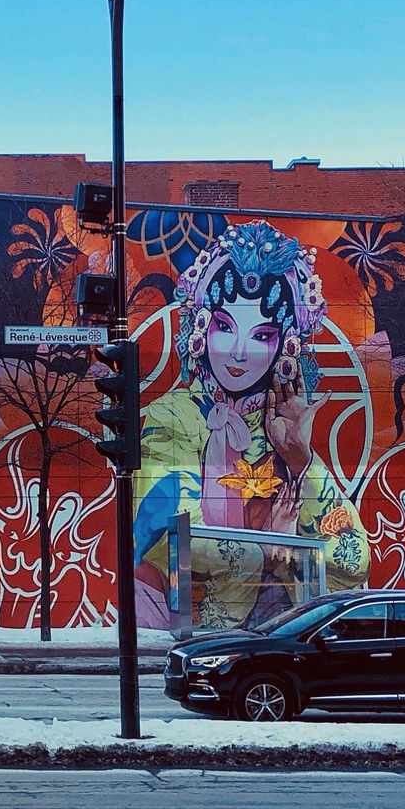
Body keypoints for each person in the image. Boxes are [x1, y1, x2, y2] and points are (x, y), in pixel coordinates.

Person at [135, 219, 370, 630]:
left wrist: (301, 460)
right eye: (225, 328)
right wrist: (280, 545)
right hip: (191, 635)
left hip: (282, 645)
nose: (239, 353)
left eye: (261, 335)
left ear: (286, 345)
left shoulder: (282, 423)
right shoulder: (172, 416)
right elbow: (172, 541)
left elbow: (352, 561)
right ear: (201, 330)